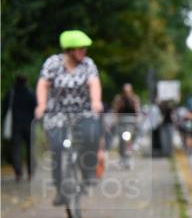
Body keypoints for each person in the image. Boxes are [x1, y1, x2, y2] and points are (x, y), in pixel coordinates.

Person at [35, 30, 104, 205]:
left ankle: (88, 170)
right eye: (80, 49)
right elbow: (43, 84)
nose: (84, 52)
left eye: (85, 49)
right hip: (57, 112)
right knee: (57, 148)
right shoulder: (53, 63)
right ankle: (60, 189)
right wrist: (42, 104)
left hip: (83, 110)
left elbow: (94, 83)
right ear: (69, 50)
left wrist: (96, 101)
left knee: (91, 134)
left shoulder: (88, 64)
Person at [3, 74, 37, 181]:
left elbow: (4, 109)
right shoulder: (30, 93)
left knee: (16, 150)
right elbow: (36, 109)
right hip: (29, 125)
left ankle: (18, 173)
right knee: (30, 149)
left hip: (15, 125)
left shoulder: (11, 93)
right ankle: (30, 173)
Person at [111, 83, 142, 167]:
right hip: (121, 122)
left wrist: (138, 118)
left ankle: (131, 154)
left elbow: (137, 110)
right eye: (125, 91)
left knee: (131, 138)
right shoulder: (119, 99)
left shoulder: (134, 99)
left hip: (131, 123)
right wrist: (114, 118)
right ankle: (121, 157)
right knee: (121, 140)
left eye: (128, 91)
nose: (127, 93)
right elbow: (115, 110)